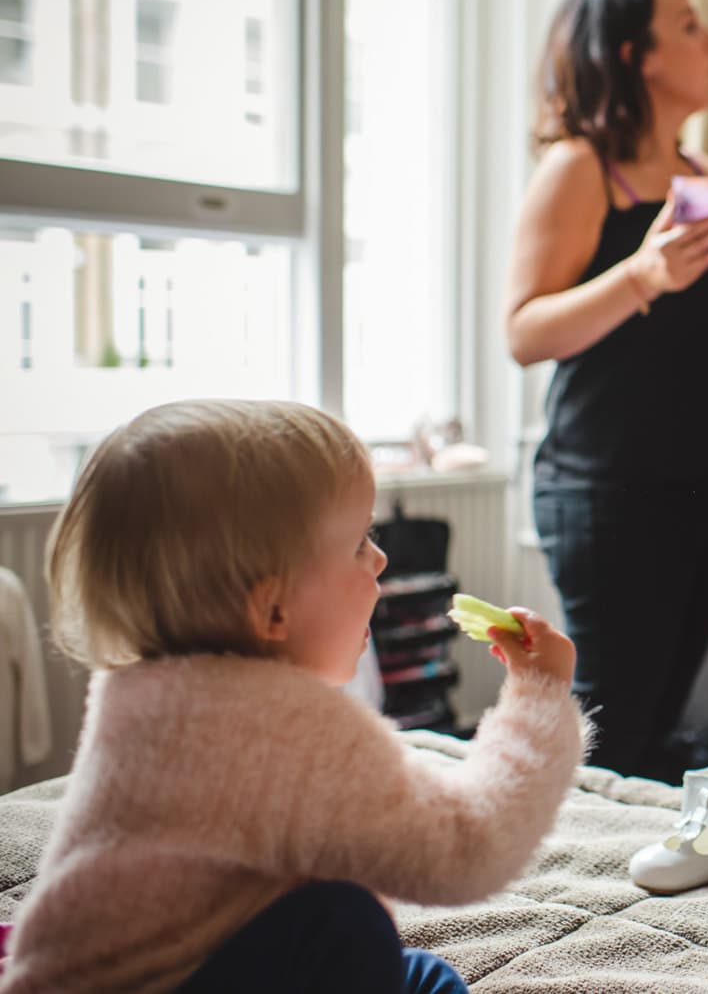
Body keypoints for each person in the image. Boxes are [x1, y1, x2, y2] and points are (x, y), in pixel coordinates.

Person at [0, 399, 586, 994]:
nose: (381, 559)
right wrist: (539, 695)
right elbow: (469, 848)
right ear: (273, 608)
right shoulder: (280, 730)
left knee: (418, 974)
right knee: (344, 920)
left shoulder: (139, 692)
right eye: (360, 542)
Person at [506, 0, 708, 779]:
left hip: (702, 490)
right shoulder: (580, 170)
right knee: (613, 728)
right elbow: (524, 331)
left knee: (658, 722)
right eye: (689, 25)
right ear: (636, 55)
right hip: (607, 498)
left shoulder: (701, 178)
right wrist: (641, 276)